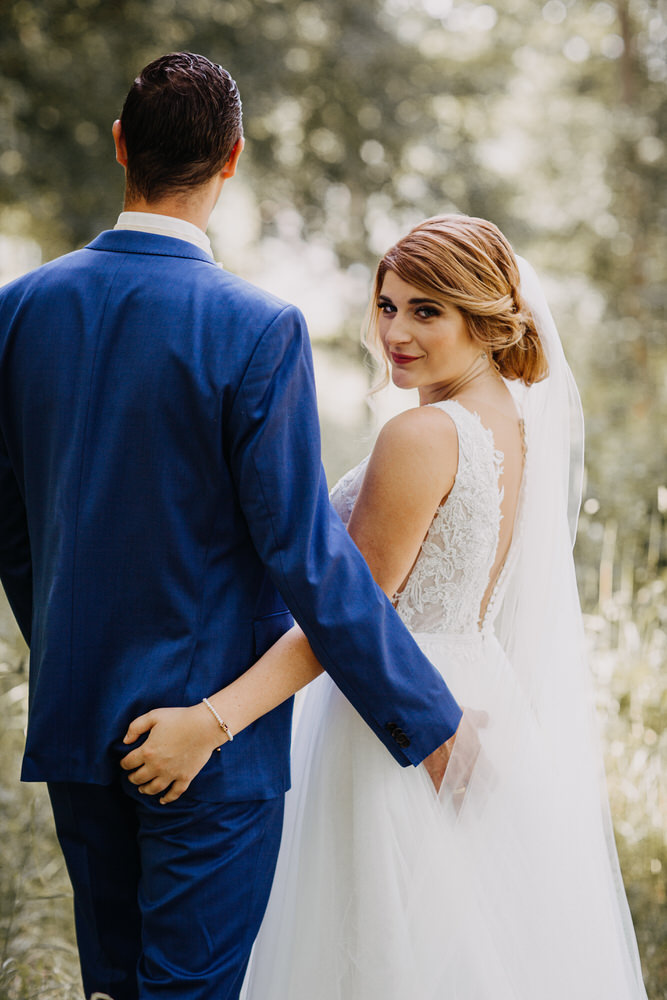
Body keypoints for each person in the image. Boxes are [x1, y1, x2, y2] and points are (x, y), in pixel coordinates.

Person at [0, 54, 465, 1000]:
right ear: (232, 160)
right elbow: (306, 555)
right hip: (213, 749)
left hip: (78, 725)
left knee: (115, 987)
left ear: (121, 144)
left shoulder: (19, 310)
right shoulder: (255, 327)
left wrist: (65, 657)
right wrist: (426, 720)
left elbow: (14, 530)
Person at [125, 215, 649, 999]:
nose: (395, 331)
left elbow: (348, 617)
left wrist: (212, 722)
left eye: (425, 310)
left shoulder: (423, 435)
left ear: (483, 314)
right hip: (473, 689)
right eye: (386, 305)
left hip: (388, 709)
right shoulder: (517, 424)